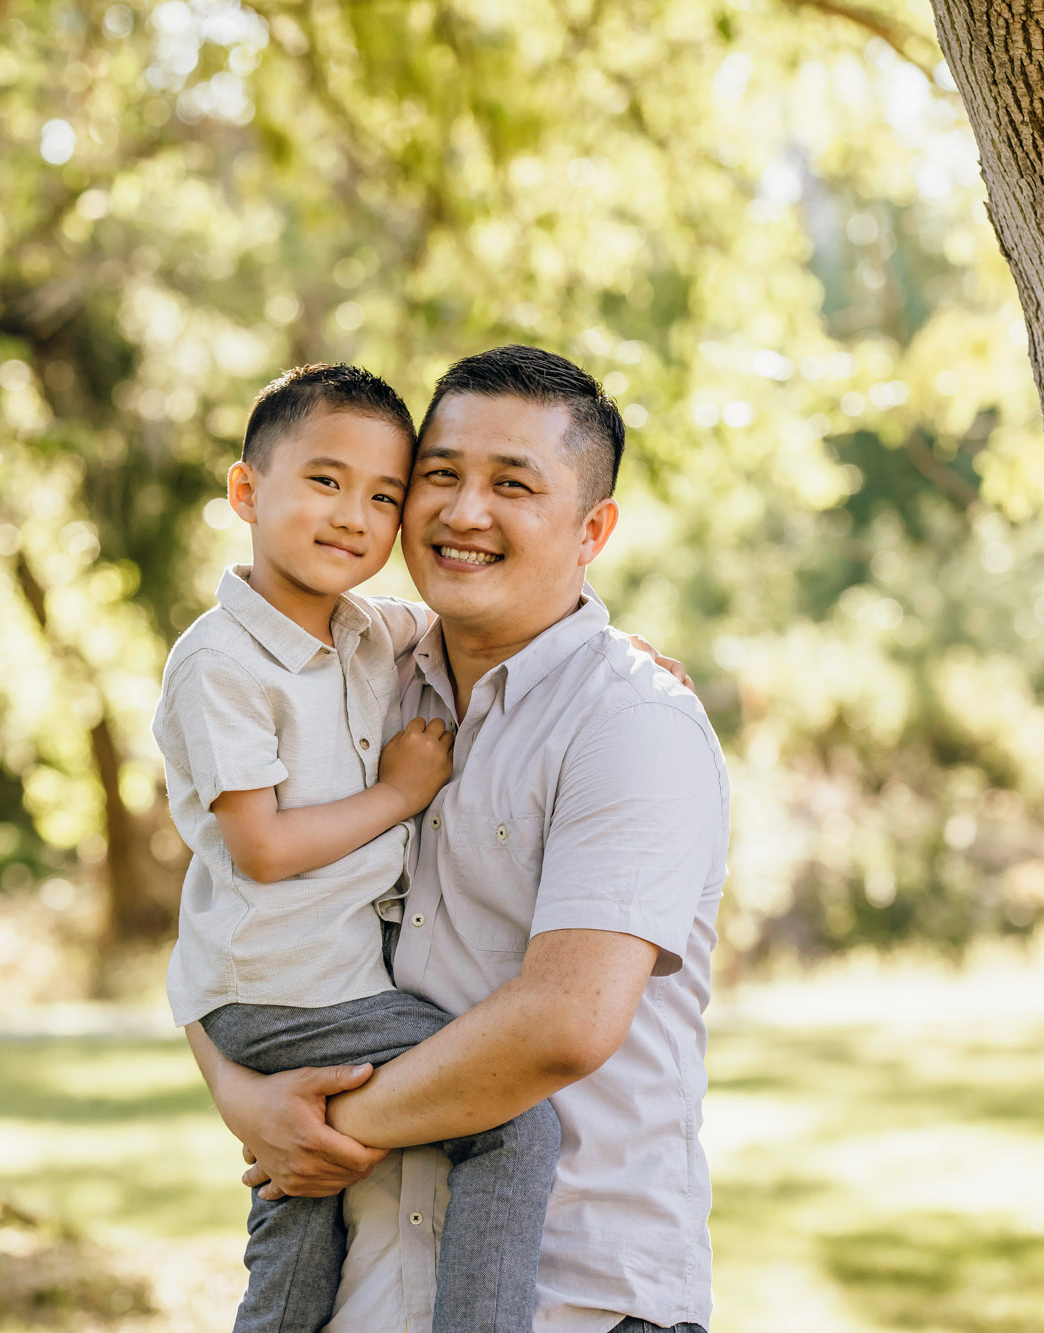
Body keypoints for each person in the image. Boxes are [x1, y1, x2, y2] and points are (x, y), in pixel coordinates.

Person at [187, 345, 729, 1333]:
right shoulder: (359, 681)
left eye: (511, 484)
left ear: (590, 528)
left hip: (577, 1302)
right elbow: (228, 908)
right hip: (370, 1291)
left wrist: (321, 1130)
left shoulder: (630, 721)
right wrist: (243, 1099)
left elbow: (564, 1020)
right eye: (438, 475)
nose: (462, 511)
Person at [153, 363, 563, 1333]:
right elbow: (257, 847)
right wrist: (396, 793)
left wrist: (617, 651)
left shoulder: (367, 632)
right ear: (245, 492)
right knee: (512, 1120)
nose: (354, 516)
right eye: (325, 481)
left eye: (383, 495)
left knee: (305, 1202)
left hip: (309, 981)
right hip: (287, 988)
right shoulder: (220, 659)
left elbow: (502, 616)